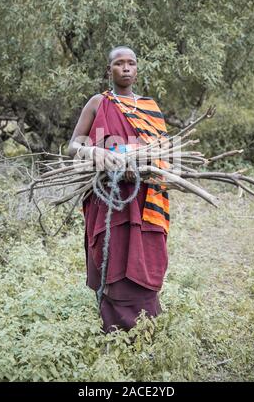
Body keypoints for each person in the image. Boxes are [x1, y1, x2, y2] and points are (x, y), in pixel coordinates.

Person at [68, 46, 170, 334]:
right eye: (119, 63)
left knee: (144, 255)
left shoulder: (150, 108)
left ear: (137, 70)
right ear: (109, 69)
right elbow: (74, 144)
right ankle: (112, 329)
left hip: (144, 198)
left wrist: (140, 163)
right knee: (111, 254)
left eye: (131, 63)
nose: (125, 68)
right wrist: (94, 153)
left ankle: (145, 326)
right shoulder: (98, 103)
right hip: (107, 197)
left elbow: (164, 152)